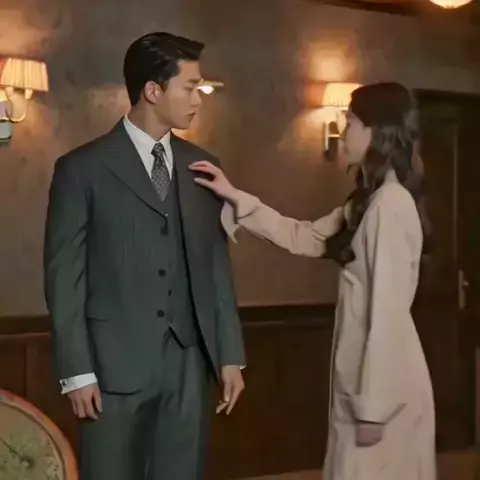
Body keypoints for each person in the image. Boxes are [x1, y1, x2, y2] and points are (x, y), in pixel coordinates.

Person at [190, 83, 435, 480]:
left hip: (384, 395)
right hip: (365, 385)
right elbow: (304, 236)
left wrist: (373, 408)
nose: (343, 131)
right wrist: (234, 197)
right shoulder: (369, 202)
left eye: (351, 123)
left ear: (378, 132)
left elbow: (387, 315)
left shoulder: (390, 206)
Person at [44, 32, 245, 480]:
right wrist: (77, 372)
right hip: (111, 370)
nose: (199, 99)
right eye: (190, 88)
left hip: (189, 367)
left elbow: (215, 267)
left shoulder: (203, 166)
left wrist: (230, 354)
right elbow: (64, 278)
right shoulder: (81, 169)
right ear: (153, 91)